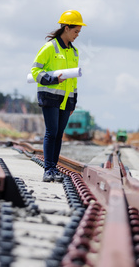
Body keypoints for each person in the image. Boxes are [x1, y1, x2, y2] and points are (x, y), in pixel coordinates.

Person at [30, 10, 86, 182]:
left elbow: (73, 81)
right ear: (66, 28)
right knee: (51, 132)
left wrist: (73, 102)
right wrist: (52, 78)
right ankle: (48, 170)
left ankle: (53, 169)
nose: (77, 35)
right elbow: (35, 71)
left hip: (66, 100)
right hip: (50, 97)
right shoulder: (50, 47)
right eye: (76, 31)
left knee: (59, 133)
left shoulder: (74, 52)